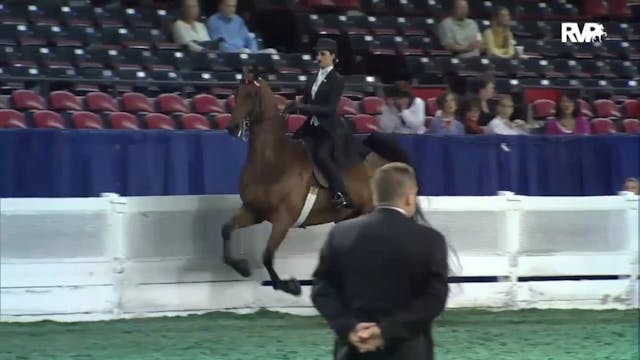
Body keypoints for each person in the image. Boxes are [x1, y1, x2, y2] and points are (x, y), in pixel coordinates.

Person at [311, 162, 449, 360]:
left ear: (375, 195)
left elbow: (322, 290)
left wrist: (348, 328)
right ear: (410, 197)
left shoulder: (340, 234)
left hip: (353, 350)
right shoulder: (430, 240)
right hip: (408, 351)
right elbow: (434, 299)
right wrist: (385, 332)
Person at [286, 37, 354, 209]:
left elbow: (329, 109)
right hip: (312, 126)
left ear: (332, 56)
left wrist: (303, 106)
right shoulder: (311, 79)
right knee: (289, 148)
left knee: (322, 156)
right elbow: (307, 102)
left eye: (322, 54)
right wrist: (293, 107)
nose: (318, 58)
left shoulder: (337, 79)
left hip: (328, 129)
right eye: (317, 54)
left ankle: (340, 194)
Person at [206, 0, 276, 53]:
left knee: (271, 51)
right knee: (245, 52)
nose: (232, 9)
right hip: (229, 55)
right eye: (228, 6)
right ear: (220, 6)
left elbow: (249, 38)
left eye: (234, 6)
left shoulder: (238, 20)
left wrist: (254, 52)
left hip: (246, 52)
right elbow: (218, 45)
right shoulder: (213, 21)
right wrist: (237, 51)